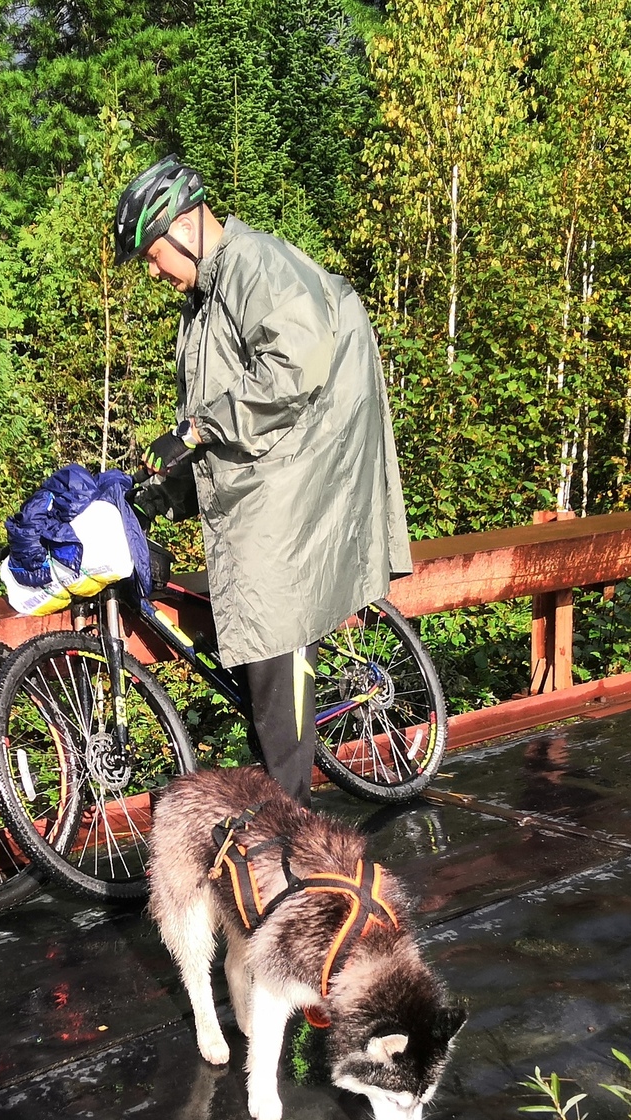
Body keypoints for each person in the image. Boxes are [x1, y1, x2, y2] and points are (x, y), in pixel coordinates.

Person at [113, 155, 411, 806]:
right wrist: (164, 492)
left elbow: (292, 367)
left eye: (154, 255)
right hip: (261, 489)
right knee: (258, 651)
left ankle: (293, 827)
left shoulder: (255, 264)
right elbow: (221, 423)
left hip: (298, 482)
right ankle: (282, 803)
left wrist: (193, 432)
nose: (156, 271)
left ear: (185, 227)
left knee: (276, 646)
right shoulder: (204, 304)